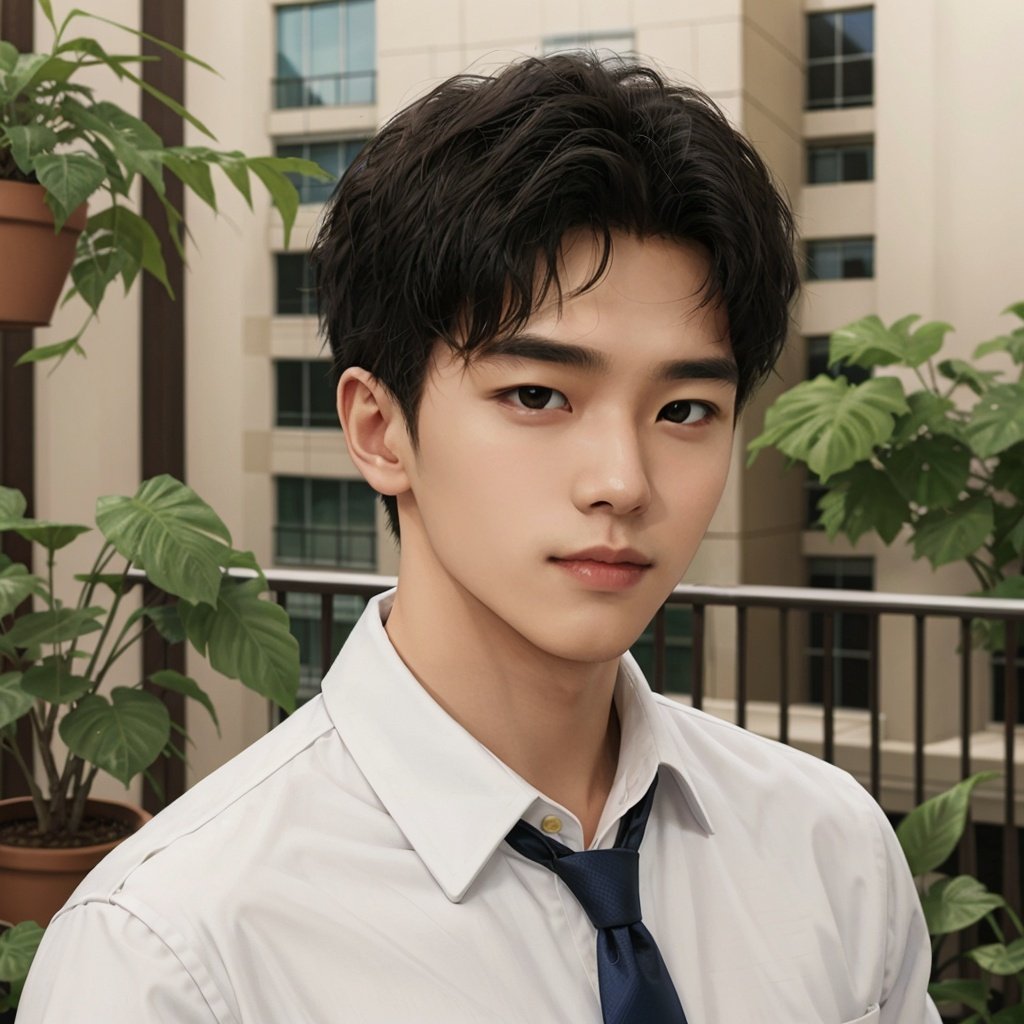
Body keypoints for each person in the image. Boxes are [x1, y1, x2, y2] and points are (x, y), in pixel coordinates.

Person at [18, 53, 938, 1022]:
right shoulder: (176, 944)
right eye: (536, 395)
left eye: (685, 409)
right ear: (380, 429)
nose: (622, 481)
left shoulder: (826, 843)